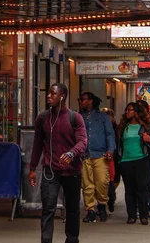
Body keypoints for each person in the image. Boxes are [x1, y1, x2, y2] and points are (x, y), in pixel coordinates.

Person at [29, 83, 87, 243]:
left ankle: (72, 239)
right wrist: (32, 168)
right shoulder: (42, 118)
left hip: (72, 171)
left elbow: (83, 141)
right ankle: (46, 240)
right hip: (50, 171)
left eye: (53, 94)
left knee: (73, 209)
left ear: (62, 97)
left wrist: (71, 153)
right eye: (48, 93)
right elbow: (37, 145)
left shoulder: (74, 117)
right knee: (48, 208)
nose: (49, 96)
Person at [118, 102, 150, 225]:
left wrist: (149, 140)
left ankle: (143, 215)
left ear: (136, 112)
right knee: (129, 189)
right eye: (126, 110)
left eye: (130, 110)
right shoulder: (123, 127)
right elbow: (118, 143)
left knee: (141, 188)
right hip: (126, 160)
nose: (127, 112)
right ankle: (131, 215)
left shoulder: (145, 127)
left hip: (141, 159)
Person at [78, 92, 115, 222]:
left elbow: (110, 134)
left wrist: (110, 150)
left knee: (102, 182)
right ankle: (90, 210)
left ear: (90, 101)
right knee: (87, 184)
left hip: (101, 155)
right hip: (84, 155)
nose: (80, 101)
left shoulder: (103, 117)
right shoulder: (79, 117)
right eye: (80, 99)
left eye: (82, 99)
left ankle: (102, 205)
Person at [101, 108, 120, 213]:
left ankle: (111, 195)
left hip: (114, 156)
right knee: (104, 180)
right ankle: (106, 197)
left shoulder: (117, 129)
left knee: (114, 179)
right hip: (102, 156)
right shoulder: (99, 129)